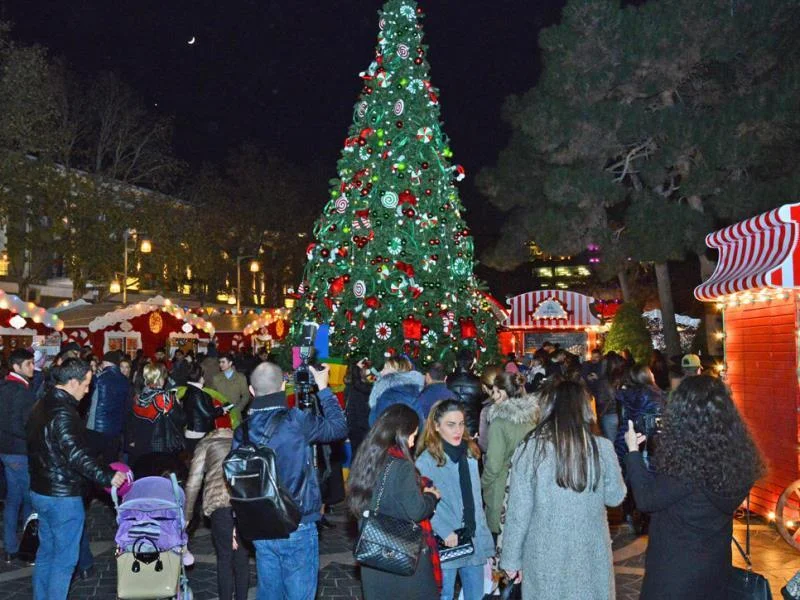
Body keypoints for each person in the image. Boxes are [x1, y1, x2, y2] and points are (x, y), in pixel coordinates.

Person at [623, 375, 764, 599]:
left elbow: (646, 499)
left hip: (675, 574)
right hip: (714, 568)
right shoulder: (736, 461)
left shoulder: (688, 469)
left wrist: (633, 453)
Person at [500, 379, 626, 599]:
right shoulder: (601, 448)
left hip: (544, 553)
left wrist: (511, 559)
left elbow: (518, 511)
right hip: (590, 554)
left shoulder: (531, 449)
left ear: (548, 408)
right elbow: (616, 497)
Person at [233, 362, 346, 600]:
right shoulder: (296, 420)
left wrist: (237, 521)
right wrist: (324, 389)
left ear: (252, 392)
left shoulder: (242, 431)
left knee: (269, 593)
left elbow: (238, 482)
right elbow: (338, 428)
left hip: (259, 523)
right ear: (284, 386)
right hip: (298, 522)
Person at [26, 358, 126, 600]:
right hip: (62, 496)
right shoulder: (63, 413)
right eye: (86, 384)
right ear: (72, 382)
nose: (88, 389)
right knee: (64, 560)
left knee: (47, 553)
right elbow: (77, 454)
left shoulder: (41, 403)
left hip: (41, 490)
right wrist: (107, 476)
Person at [347, 404, 441, 600]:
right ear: (400, 434)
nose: (414, 442)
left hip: (373, 551)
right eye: (413, 435)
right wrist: (431, 497)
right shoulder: (401, 466)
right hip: (401, 553)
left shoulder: (367, 457)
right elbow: (415, 510)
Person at [416, 400, 494, 600]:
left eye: (461, 424)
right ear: (436, 426)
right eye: (451, 425)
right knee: (445, 594)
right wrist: (443, 530)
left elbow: (475, 500)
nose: (458, 430)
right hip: (445, 541)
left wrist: (484, 537)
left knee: (476, 596)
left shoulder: (470, 453)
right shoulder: (426, 461)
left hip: (472, 536)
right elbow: (420, 503)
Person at [185, 426, 249, 600]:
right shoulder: (244, 441)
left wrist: (187, 516)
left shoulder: (206, 443)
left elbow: (193, 482)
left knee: (224, 558)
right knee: (242, 558)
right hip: (244, 504)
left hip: (219, 504)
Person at [480, 371, 539, 536]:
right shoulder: (532, 417)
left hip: (504, 490)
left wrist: (483, 484)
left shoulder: (499, 422)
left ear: (500, 392)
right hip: (528, 485)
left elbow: (493, 464)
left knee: (501, 542)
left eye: (494, 391)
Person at [0, 349, 36, 563]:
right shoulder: (21, 391)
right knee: (30, 500)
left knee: (13, 500)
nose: (33, 367)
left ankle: (10, 547)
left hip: (6, 451)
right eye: (29, 364)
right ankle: (29, 548)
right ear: (17, 367)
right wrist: (31, 437)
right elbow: (17, 423)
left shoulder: (5, 386)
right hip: (20, 452)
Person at [128, 362, 186, 471]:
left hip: (141, 444)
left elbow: (132, 421)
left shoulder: (139, 397)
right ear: (159, 379)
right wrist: (177, 404)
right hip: (160, 445)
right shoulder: (165, 398)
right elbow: (181, 419)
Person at [85, 350, 130, 463]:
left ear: (105, 362)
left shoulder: (99, 378)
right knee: (111, 462)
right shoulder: (125, 380)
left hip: (97, 427)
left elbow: (89, 400)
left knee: (92, 462)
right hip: (115, 429)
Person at [183, 362, 229, 454]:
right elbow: (207, 414)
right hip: (198, 432)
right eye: (202, 376)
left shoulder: (189, 390)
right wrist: (221, 410)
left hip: (193, 431)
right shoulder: (197, 393)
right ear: (199, 378)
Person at [368, 356, 425, 426]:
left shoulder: (388, 392)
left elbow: (375, 420)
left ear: (397, 370)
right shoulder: (411, 389)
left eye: (386, 368)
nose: (381, 372)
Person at [447, 349, 482, 436]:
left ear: (456, 362)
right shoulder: (478, 381)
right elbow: (481, 405)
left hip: (452, 423)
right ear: (471, 364)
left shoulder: (448, 379)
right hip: (472, 425)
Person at [345, 358, 373, 457]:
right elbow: (359, 385)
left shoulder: (350, 387)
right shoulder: (361, 388)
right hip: (361, 428)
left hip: (355, 427)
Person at [476, 365, 502, 453]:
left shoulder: (487, 411)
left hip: (494, 462)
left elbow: (484, 446)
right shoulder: (516, 402)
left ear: (484, 386)